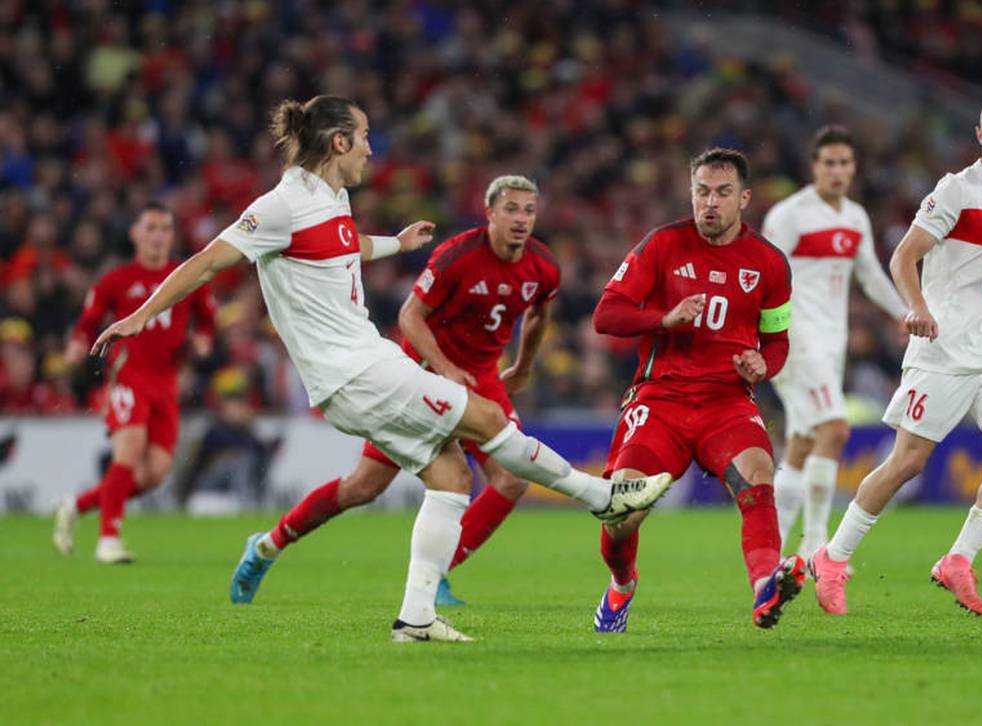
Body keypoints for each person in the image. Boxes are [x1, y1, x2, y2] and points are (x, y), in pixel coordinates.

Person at [91, 95, 672, 642]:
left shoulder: (330, 200)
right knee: (489, 418)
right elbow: (207, 260)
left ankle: (416, 617)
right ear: (340, 142)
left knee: (450, 479)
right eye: (366, 138)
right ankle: (603, 497)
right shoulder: (280, 205)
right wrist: (143, 314)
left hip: (360, 367)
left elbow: (343, 246)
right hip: (356, 370)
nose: (373, 148)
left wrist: (395, 244)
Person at [229, 174, 559, 607]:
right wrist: (445, 368)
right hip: (421, 376)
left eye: (529, 211)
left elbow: (538, 313)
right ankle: (266, 546)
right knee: (363, 488)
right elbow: (409, 316)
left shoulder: (543, 265)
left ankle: (437, 574)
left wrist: (524, 366)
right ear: (490, 213)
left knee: (511, 480)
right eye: (511, 209)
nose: (521, 219)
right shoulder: (457, 256)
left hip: (484, 380)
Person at [810, 93, 982, 616]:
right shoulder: (956, 191)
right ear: (979, 135)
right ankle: (832, 557)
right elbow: (904, 256)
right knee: (907, 463)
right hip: (942, 350)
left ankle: (958, 560)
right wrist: (916, 308)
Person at [591, 147, 803, 632]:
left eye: (722, 193)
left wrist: (761, 365)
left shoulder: (770, 264)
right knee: (621, 514)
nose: (710, 202)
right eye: (702, 191)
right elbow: (607, 314)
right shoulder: (662, 245)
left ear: (744, 198)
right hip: (660, 400)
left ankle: (764, 587)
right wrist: (662, 318)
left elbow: (777, 341)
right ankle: (622, 582)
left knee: (758, 474)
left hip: (726, 403)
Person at [762, 125, 907, 561]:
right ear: (814, 167)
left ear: (854, 168)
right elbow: (764, 275)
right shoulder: (789, 215)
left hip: (831, 340)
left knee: (804, 440)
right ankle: (816, 542)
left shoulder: (856, 217)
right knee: (835, 427)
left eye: (844, 163)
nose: (837, 171)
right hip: (796, 336)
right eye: (829, 163)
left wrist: (904, 312)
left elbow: (869, 276)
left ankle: (771, 552)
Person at [54, 203, 215, 564]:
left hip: (166, 384)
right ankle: (108, 539)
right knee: (129, 451)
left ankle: (75, 506)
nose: (159, 235)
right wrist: (78, 344)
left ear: (172, 236)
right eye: (151, 227)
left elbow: (206, 317)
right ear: (135, 234)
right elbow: (89, 320)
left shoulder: (185, 276)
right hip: (128, 376)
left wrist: (203, 339)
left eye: (165, 228)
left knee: (154, 473)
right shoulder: (117, 280)